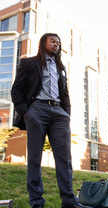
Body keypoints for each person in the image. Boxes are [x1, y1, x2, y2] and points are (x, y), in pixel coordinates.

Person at [11, 33, 90, 208]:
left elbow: (65, 93)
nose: (56, 44)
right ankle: (37, 202)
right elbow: (16, 90)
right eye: (53, 41)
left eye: (58, 43)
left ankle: (69, 201)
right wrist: (26, 113)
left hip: (59, 113)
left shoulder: (61, 68)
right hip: (36, 110)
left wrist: (66, 113)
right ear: (43, 43)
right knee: (34, 157)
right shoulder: (29, 63)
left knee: (65, 158)